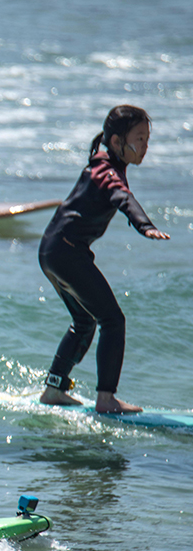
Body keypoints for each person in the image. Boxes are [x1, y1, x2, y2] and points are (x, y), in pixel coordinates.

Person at [38, 105, 170, 413]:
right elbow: (122, 197)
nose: (145, 146)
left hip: (53, 250)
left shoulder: (104, 164)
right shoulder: (105, 171)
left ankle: (54, 390)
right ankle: (106, 398)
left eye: (148, 139)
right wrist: (145, 226)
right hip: (67, 252)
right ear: (115, 142)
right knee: (113, 321)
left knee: (84, 321)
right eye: (139, 138)